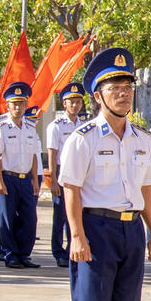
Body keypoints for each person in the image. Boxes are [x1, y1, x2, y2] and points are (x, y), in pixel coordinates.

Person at [59, 47, 151, 301]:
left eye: (128, 86)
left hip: (130, 229)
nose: (123, 92)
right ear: (98, 95)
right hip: (95, 228)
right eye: (115, 86)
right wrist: (76, 235)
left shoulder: (141, 138)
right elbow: (70, 188)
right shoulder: (83, 138)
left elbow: (147, 187)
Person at [0, 81, 41, 268]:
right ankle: (10, 254)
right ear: (7, 106)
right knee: (7, 218)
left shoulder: (29, 126)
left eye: (21, 104)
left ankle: (24, 253)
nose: (18, 108)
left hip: (25, 178)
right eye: (14, 104)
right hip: (8, 177)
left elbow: (34, 155)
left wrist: (35, 179)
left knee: (29, 218)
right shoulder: (0, 125)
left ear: (26, 105)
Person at [47, 83, 89, 266]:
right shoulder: (55, 126)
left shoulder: (84, 126)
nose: (75, 105)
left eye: (78, 101)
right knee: (60, 217)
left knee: (77, 214)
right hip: (62, 177)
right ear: (64, 104)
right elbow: (52, 154)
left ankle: (73, 247)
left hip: (80, 178)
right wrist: (53, 180)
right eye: (71, 101)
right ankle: (59, 252)